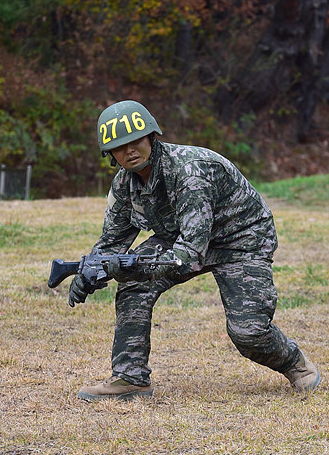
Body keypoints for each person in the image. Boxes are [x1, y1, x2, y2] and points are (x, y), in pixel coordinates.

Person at [69, 100, 321, 400]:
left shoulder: (188, 171)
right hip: (180, 236)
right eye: (119, 147)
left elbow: (188, 255)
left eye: (135, 141)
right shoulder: (125, 184)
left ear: (151, 137)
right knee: (133, 284)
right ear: (110, 154)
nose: (130, 151)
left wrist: (134, 265)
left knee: (248, 332)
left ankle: (296, 364)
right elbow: (112, 241)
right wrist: (89, 270)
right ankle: (130, 378)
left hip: (240, 239)